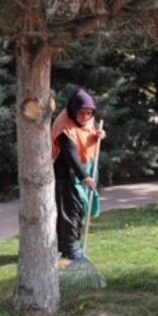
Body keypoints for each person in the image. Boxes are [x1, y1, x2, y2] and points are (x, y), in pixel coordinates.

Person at [51, 88, 106, 260]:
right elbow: (70, 155)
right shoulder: (64, 127)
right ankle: (68, 248)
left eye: (89, 113)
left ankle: (74, 242)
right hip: (66, 172)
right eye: (81, 114)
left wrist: (100, 134)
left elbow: (90, 131)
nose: (85, 118)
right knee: (70, 209)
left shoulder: (87, 118)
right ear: (73, 111)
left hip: (84, 167)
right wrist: (84, 177)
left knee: (82, 206)